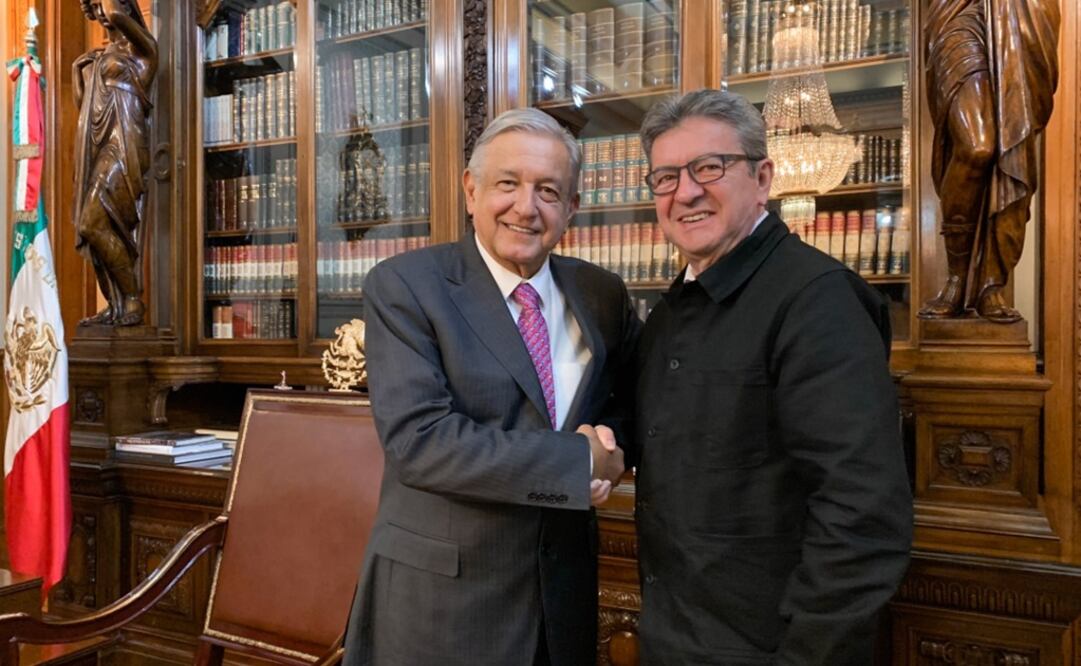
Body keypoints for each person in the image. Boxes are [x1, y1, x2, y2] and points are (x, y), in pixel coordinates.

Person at [343, 108, 638, 666]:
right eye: (508, 183)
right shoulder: (407, 286)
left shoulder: (601, 292)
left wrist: (610, 447)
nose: (526, 207)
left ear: (571, 208)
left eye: (549, 190)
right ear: (471, 190)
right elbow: (421, 443)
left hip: (563, 597)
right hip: (443, 606)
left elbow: (628, 400)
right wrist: (579, 462)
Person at [631, 89, 912, 665]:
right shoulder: (667, 313)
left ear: (762, 178)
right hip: (672, 637)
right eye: (665, 177)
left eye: (709, 167)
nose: (685, 192)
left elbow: (860, 515)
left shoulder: (817, 301)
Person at [918, 0, 1058, 323]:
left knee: (1012, 145)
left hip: (1024, 13)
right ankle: (955, 278)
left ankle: (991, 283)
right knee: (977, 146)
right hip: (959, 13)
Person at [72, 0, 157, 326]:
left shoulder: (144, 51)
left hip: (125, 147)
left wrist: (111, 6)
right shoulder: (97, 57)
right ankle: (116, 304)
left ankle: (132, 298)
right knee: (93, 223)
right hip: (96, 144)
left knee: (91, 222)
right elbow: (85, 108)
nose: (99, 11)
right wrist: (77, 72)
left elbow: (119, 15)